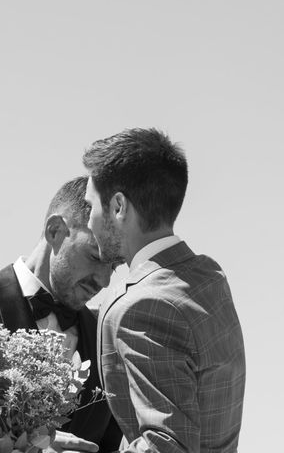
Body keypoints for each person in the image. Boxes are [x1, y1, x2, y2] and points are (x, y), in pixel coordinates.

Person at [83, 128, 245, 453]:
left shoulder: (143, 306)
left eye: (90, 208)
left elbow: (166, 446)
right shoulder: (210, 276)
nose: (88, 222)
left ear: (118, 206)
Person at [0, 176, 123, 452]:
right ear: (54, 231)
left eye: (114, 266)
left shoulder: (109, 345)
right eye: (95, 257)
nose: (104, 281)